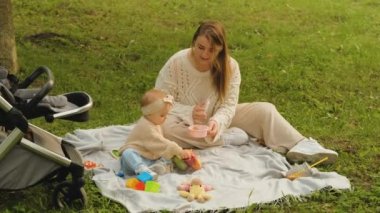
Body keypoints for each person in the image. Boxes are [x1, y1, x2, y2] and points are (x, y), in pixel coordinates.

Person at [155, 20, 338, 165]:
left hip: (218, 120)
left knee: (265, 109)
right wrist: (190, 112)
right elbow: (160, 101)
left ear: (221, 49)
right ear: (193, 42)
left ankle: (301, 145)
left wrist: (216, 123)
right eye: (200, 47)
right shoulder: (176, 63)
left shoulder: (230, 66)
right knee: (163, 128)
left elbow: (228, 106)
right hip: (183, 122)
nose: (205, 55)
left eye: (212, 50)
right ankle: (226, 140)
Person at [118, 89, 193, 179]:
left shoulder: (154, 122)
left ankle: (156, 168)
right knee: (128, 153)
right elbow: (160, 142)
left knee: (167, 155)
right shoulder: (146, 127)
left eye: (166, 115)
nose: (165, 118)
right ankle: (141, 170)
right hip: (137, 157)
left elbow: (159, 145)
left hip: (150, 157)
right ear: (149, 114)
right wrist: (179, 151)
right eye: (162, 115)